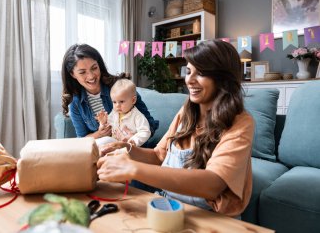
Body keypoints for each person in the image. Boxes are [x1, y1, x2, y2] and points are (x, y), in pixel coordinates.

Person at [97, 39, 255, 218]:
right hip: (169, 206)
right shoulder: (186, 111)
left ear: (223, 78)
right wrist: (127, 149)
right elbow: (158, 155)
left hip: (211, 217)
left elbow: (213, 184)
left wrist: (133, 168)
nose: (190, 80)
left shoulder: (241, 122)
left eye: (201, 73)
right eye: (188, 71)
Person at [61, 43, 158, 145]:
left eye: (94, 68)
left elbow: (149, 124)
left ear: (99, 65)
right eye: (82, 72)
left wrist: (133, 138)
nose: (91, 76)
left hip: (132, 148)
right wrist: (99, 133)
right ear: (73, 74)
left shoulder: (121, 88)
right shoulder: (76, 103)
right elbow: (82, 139)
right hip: (103, 150)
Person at [95, 78, 151, 148]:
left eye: (121, 101)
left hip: (130, 147)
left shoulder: (137, 116)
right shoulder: (114, 113)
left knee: (105, 142)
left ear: (133, 100)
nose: (117, 105)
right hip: (115, 144)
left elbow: (145, 132)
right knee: (101, 142)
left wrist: (133, 140)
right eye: (114, 102)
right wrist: (103, 123)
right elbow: (108, 127)